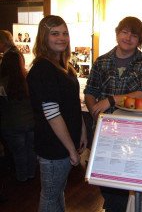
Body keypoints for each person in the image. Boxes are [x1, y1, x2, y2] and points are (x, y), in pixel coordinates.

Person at [84, 16, 142, 212]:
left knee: (129, 178)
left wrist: (111, 99)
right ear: (117, 33)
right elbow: (90, 91)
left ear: (140, 39)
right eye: (124, 32)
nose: (128, 37)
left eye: (134, 34)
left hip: (133, 133)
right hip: (104, 131)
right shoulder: (101, 62)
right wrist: (93, 112)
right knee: (106, 179)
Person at [27, 15, 87, 212]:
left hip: (64, 143)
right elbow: (52, 114)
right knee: (51, 195)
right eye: (55, 33)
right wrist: (71, 149)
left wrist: (82, 131)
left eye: (65, 33)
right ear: (44, 37)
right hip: (54, 147)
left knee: (58, 192)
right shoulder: (43, 69)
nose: (61, 38)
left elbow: (72, 105)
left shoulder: (64, 67)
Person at [0, 51, 36, 183]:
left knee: (18, 153)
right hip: (31, 122)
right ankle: (31, 175)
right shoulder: (29, 79)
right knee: (31, 150)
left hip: (12, 124)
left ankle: (22, 178)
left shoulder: (2, 83)